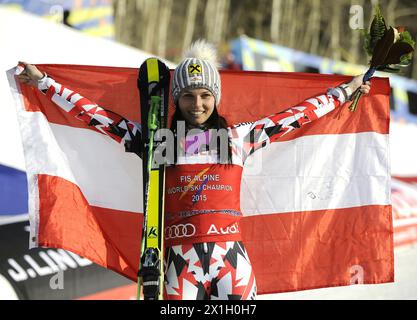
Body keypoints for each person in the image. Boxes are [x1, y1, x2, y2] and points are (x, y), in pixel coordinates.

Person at [17, 40, 370, 300]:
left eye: (204, 95)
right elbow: (97, 118)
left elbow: (298, 116)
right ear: (176, 100)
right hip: (178, 265)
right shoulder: (157, 139)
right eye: (188, 96)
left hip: (231, 262)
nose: (197, 104)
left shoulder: (238, 137)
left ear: (215, 97)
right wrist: (45, 84)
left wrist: (347, 90)